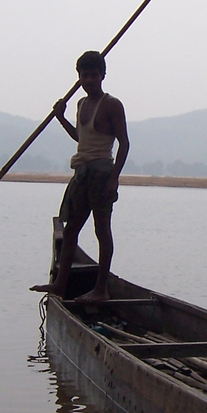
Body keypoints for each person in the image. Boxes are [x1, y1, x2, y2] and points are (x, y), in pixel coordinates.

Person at [30, 50, 129, 302]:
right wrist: (61, 118)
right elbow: (80, 137)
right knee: (71, 229)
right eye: (84, 76)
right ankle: (60, 284)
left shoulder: (112, 105)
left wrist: (114, 178)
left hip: (101, 173)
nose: (89, 80)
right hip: (81, 173)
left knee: (101, 230)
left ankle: (101, 289)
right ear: (79, 78)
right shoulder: (81, 104)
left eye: (93, 75)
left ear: (103, 75)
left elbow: (124, 144)